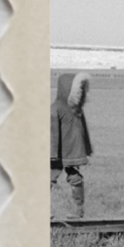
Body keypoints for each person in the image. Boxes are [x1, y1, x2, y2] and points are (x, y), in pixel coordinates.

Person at [51, 72, 93, 218]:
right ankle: (78, 211)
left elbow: (52, 133)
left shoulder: (55, 108)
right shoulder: (77, 110)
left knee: (48, 178)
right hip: (74, 152)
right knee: (75, 177)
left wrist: (51, 154)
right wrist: (86, 150)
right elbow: (84, 133)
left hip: (59, 153)